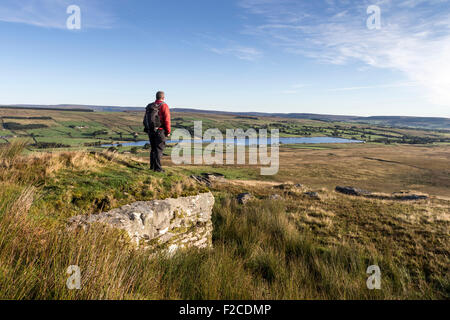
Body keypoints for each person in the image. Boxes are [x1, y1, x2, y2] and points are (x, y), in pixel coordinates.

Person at [143, 91, 171, 172]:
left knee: (153, 149)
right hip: (160, 131)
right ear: (163, 97)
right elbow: (167, 120)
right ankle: (158, 169)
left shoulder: (150, 106)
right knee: (159, 149)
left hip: (150, 130)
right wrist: (168, 131)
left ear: (156, 97)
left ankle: (152, 167)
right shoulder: (164, 105)